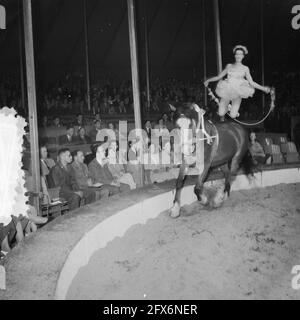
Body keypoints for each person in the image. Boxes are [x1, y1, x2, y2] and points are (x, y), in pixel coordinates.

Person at [204, 45, 270, 120]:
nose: (238, 56)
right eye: (237, 54)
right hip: (227, 90)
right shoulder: (229, 66)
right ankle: (227, 107)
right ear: (235, 55)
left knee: (232, 115)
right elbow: (219, 76)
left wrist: (263, 88)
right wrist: (208, 80)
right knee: (221, 113)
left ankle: (231, 109)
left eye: (240, 54)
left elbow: (251, 82)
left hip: (238, 91)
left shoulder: (245, 68)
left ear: (243, 56)